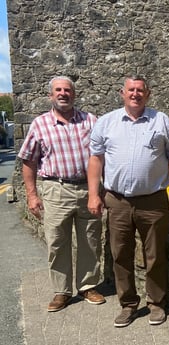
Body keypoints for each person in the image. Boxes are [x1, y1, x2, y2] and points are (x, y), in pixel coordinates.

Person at [87, 75, 169, 328]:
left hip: (153, 200)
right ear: (122, 92)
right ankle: (128, 305)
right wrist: (93, 194)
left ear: (147, 94)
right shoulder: (107, 122)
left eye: (140, 90)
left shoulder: (161, 120)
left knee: (154, 255)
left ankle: (156, 304)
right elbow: (95, 160)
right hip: (117, 200)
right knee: (120, 254)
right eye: (131, 89)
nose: (135, 94)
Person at [18, 76, 105, 312]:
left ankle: (87, 286)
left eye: (67, 90)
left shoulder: (91, 121)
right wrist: (32, 195)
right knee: (57, 241)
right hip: (55, 189)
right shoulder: (40, 124)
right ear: (51, 95)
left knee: (90, 239)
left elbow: (103, 154)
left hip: (88, 188)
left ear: (74, 95)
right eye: (58, 90)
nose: (63, 93)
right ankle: (62, 291)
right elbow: (28, 161)